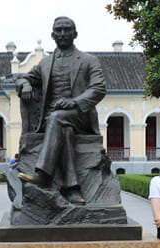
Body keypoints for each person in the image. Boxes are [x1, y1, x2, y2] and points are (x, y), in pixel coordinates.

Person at [16, 16, 106, 205]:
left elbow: (98, 88)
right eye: (59, 30)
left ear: (75, 34)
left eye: (67, 30)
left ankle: (43, 174)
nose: (63, 34)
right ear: (52, 34)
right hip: (52, 120)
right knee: (63, 127)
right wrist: (25, 85)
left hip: (80, 116)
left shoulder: (89, 60)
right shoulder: (45, 63)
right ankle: (72, 188)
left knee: (58, 118)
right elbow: (24, 78)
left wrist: (74, 102)